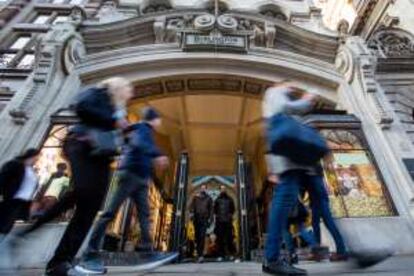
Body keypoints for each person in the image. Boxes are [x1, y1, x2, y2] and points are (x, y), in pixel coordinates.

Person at [16, 77, 133, 276]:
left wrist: (126, 133)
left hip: (102, 156)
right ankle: (34, 232)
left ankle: (60, 263)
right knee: (83, 191)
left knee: (90, 207)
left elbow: (119, 134)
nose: (130, 93)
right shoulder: (98, 93)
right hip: (80, 145)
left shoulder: (117, 108)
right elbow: (82, 107)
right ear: (118, 87)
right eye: (128, 89)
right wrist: (114, 121)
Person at [75, 107, 177, 274]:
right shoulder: (143, 128)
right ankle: (90, 252)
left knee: (145, 214)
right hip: (131, 174)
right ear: (153, 119)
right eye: (158, 119)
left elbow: (137, 144)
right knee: (110, 213)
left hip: (141, 178)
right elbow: (140, 144)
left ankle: (147, 252)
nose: (160, 122)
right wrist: (157, 154)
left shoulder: (141, 129)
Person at [262, 82, 348, 276]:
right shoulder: (275, 92)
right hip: (289, 161)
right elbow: (285, 112)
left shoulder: (281, 97)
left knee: (323, 208)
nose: (292, 86)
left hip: (301, 163)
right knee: (284, 204)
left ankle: (347, 250)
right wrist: (307, 99)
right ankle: (272, 258)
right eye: (288, 83)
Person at [0, 148, 40, 242]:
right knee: (3, 224)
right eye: (36, 157)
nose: (37, 159)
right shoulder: (15, 164)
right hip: (11, 199)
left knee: (7, 225)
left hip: (22, 202)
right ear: (31, 156)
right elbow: (2, 178)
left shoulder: (31, 170)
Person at [189, 184, 213, 263]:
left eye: (204, 188)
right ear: (200, 189)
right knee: (197, 236)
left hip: (204, 219)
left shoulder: (209, 198)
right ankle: (197, 253)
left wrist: (210, 220)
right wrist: (192, 214)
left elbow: (211, 210)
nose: (203, 189)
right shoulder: (195, 197)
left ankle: (200, 255)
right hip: (196, 219)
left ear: (206, 189)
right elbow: (191, 207)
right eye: (202, 188)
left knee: (202, 237)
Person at [214, 185, 236, 261]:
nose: (223, 190)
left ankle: (231, 255)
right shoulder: (217, 200)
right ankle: (221, 255)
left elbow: (233, 209)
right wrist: (218, 218)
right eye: (222, 189)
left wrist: (229, 216)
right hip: (220, 222)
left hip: (228, 222)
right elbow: (215, 211)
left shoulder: (230, 199)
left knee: (229, 238)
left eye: (224, 189)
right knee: (220, 239)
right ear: (220, 190)